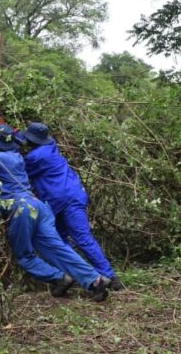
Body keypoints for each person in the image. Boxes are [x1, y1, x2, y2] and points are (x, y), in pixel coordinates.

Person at [0, 123, 111, 302]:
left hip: (22, 209)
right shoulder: (16, 157)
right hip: (39, 207)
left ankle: (59, 278)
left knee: (24, 255)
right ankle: (96, 281)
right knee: (57, 248)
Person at [18, 122, 122, 290]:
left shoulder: (35, 158)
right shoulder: (51, 145)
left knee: (80, 239)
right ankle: (87, 276)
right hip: (68, 197)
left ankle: (108, 277)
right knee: (63, 240)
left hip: (64, 200)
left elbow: (15, 168)